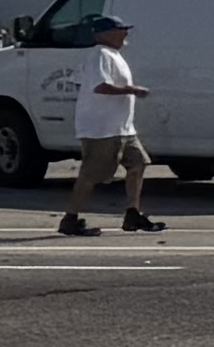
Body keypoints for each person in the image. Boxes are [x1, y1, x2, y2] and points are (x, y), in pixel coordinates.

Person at [65, 13, 164, 235]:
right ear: (105, 34)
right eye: (121, 30)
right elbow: (101, 87)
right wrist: (132, 90)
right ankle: (70, 219)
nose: (125, 34)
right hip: (102, 130)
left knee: (138, 163)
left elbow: (80, 82)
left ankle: (132, 214)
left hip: (122, 128)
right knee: (91, 175)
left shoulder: (113, 55)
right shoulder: (100, 54)